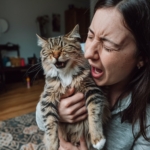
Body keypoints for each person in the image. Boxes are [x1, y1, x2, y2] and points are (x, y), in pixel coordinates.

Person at [36, 0, 150, 149]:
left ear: (141, 57)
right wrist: (58, 112)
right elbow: (41, 120)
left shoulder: (146, 123)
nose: (88, 53)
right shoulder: (73, 69)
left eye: (108, 46)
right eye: (90, 36)